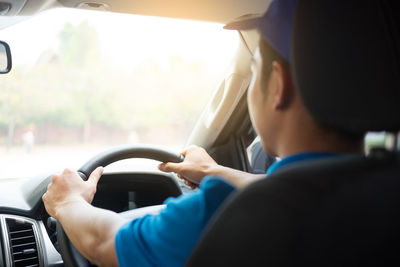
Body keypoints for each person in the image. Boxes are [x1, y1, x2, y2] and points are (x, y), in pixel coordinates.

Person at [42, 0, 364, 266]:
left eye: (253, 73)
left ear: (278, 86)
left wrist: (68, 202)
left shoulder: (230, 216)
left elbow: (102, 242)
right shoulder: (382, 191)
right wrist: (213, 171)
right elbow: (286, 185)